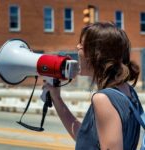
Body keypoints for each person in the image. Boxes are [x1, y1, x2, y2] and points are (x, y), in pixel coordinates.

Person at [43, 22, 141, 150]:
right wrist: (57, 99)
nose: (77, 46)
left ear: (97, 55)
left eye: (82, 45)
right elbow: (86, 139)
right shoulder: (128, 92)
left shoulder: (104, 99)